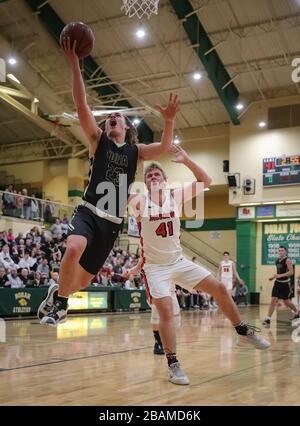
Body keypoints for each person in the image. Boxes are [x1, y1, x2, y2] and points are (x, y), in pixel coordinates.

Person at [38, 36, 180, 326]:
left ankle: (59, 292)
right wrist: (75, 64)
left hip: (112, 223)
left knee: (82, 281)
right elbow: (81, 104)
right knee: (74, 247)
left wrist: (168, 122)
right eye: (111, 116)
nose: (114, 117)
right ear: (107, 125)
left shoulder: (136, 152)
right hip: (89, 211)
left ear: (127, 127)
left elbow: (164, 149)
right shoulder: (97, 141)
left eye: (119, 116)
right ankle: (61, 306)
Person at [128, 146, 270, 385]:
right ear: (145, 182)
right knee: (165, 312)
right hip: (155, 268)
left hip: (178, 261)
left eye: (157, 175)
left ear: (165, 180)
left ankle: (242, 330)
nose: (153, 177)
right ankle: (173, 364)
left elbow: (206, 180)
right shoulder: (140, 202)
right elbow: (117, 193)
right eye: (149, 176)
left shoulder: (175, 195)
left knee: (221, 290)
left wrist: (187, 160)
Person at [262, 246, 299, 327]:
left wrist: (279, 275)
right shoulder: (277, 260)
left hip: (285, 284)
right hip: (277, 283)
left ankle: (297, 312)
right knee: (273, 300)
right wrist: (273, 277)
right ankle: (268, 319)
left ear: (285, 252)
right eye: (279, 251)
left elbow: (291, 272)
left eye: (282, 250)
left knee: (287, 302)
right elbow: (278, 272)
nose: (280, 252)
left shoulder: (288, 260)